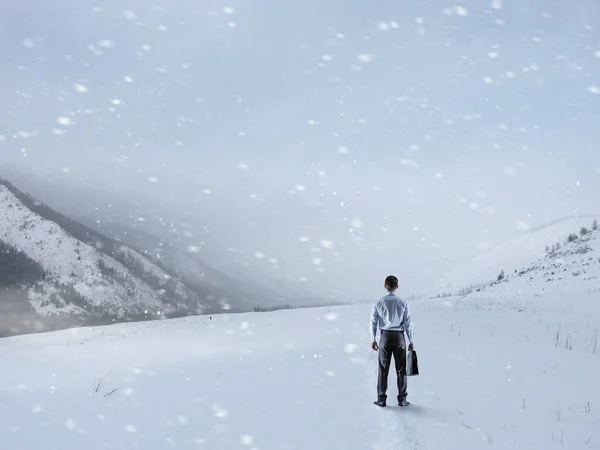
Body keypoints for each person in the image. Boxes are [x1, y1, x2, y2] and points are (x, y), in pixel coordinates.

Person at [370, 275, 415, 407]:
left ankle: (381, 399)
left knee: (383, 369)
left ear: (385, 286)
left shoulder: (378, 302)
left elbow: (373, 322)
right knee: (401, 370)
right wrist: (411, 340)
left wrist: (373, 339)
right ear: (397, 286)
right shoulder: (403, 302)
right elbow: (408, 324)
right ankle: (402, 399)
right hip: (399, 338)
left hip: (385, 337)